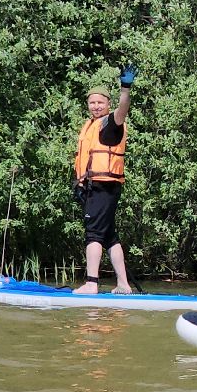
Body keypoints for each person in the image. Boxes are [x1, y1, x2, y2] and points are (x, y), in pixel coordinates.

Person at [72, 64, 137, 293]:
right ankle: (123, 284)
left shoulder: (110, 124)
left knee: (94, 234)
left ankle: (92, 283)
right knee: (109, 236)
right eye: (92, 102)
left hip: (104, 186)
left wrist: (125, 89)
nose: (96, 106)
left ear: (107, 104)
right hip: (94, 187)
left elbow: (122, 112)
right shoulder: (89, 125)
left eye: (100, 102)